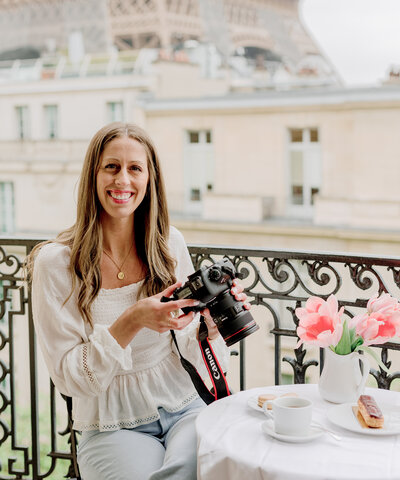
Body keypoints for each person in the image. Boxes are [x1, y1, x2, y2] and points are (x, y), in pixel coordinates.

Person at [28, 122, 249, 480]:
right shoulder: (56, 264)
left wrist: (213, 324)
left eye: (135, 169)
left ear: (150, 180)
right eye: (111, 167)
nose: (123, 181)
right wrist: (132, 321)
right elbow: (70, 379)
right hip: (110, 423)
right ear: (93, 176)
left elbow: (191, 343)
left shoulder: (168, 244)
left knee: (209, 463)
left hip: (185, 406)